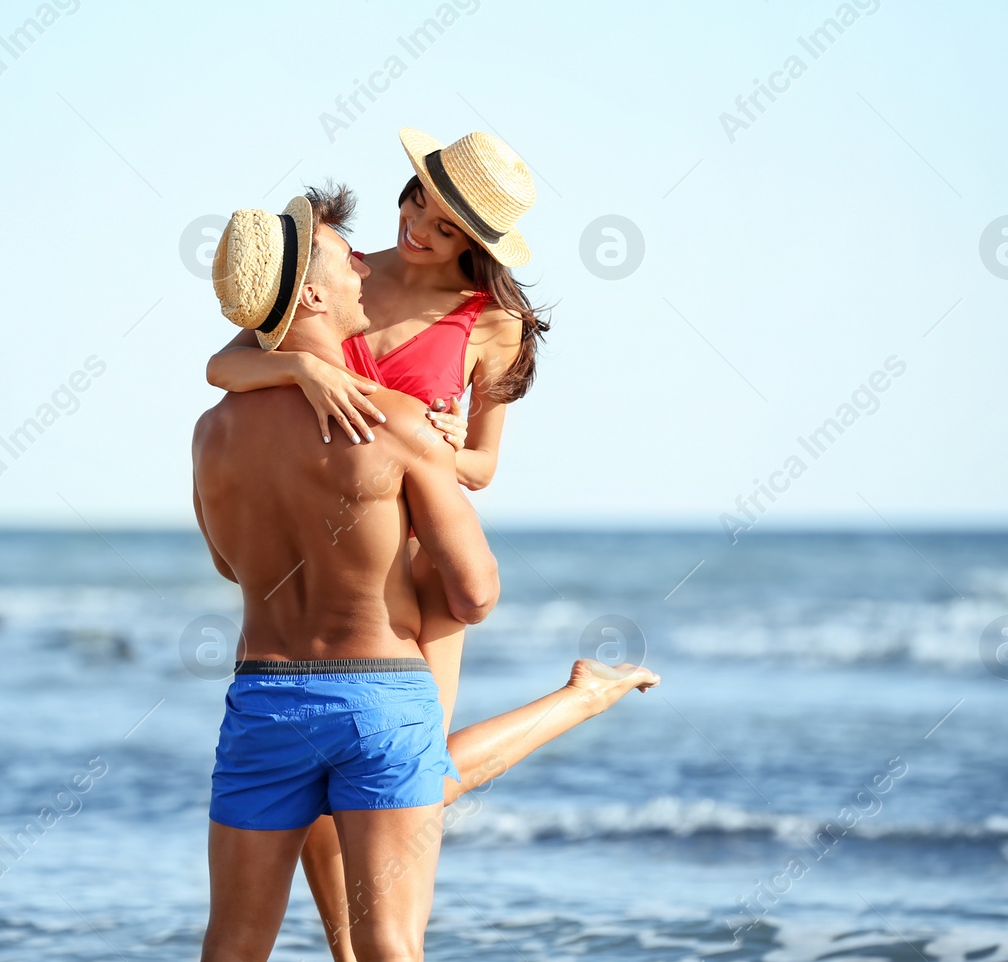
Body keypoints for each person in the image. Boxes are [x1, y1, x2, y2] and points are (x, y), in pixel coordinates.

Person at [201, 164, 659, 960]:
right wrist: (311, 370)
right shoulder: (346, 272)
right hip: (375, 624)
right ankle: (581, 699)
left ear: (475, 243)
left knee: (391, 801)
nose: (415, 229)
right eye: (419, 201)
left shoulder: (217, 430)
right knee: (399, 783)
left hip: (378, 583)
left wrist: (431, 452)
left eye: (447, 225)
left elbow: (480, 465)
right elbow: (236, 356)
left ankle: (580, 698)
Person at [193, 186, 498, 961]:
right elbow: (476, 591)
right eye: (343, 256)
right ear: (316, 293)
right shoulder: (396, 423)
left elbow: (230, 562)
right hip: (381, 698)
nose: (366, 263)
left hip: (263, 696)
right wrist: (409, 575)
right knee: (388, 942)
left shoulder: (212, 434)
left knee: (232, 943)